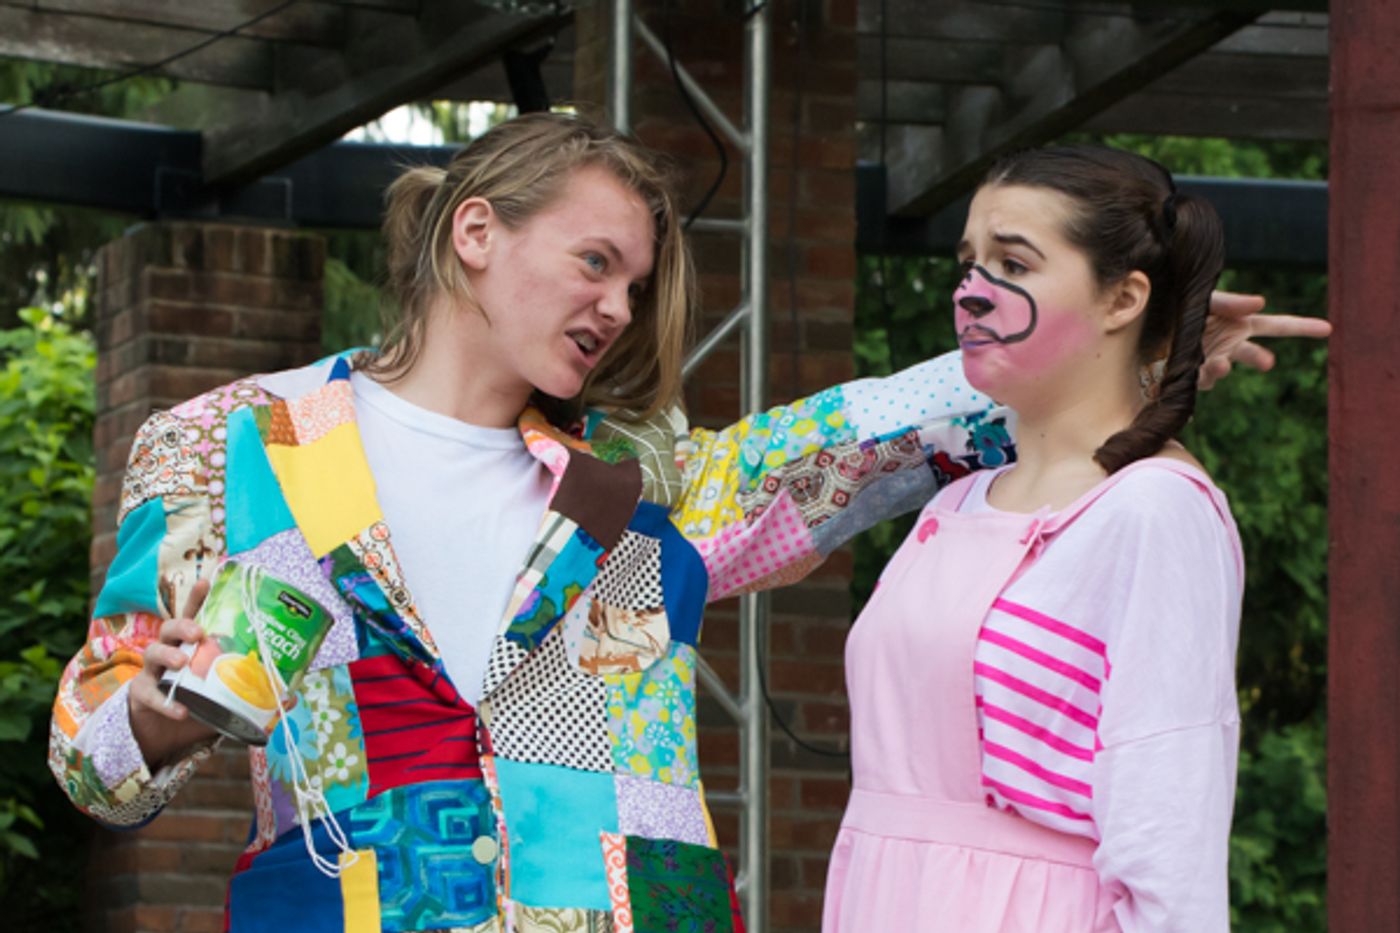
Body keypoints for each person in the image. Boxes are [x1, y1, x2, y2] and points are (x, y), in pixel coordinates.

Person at [49, 112, 1318, 932]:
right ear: (475, 233)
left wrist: (1134, 353)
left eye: (637, 282)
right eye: (593, 261)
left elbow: (851, 440)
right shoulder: (225, 445)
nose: (617, 304)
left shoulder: (633, 484)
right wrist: (157, 715)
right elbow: (89, 757)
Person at [823, 145, 1255, 932]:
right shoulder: (951, 506)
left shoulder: (1156, 511)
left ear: (1122, 298)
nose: (973, 293)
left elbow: (1169, 838)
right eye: (969, 264)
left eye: (1013, 265)